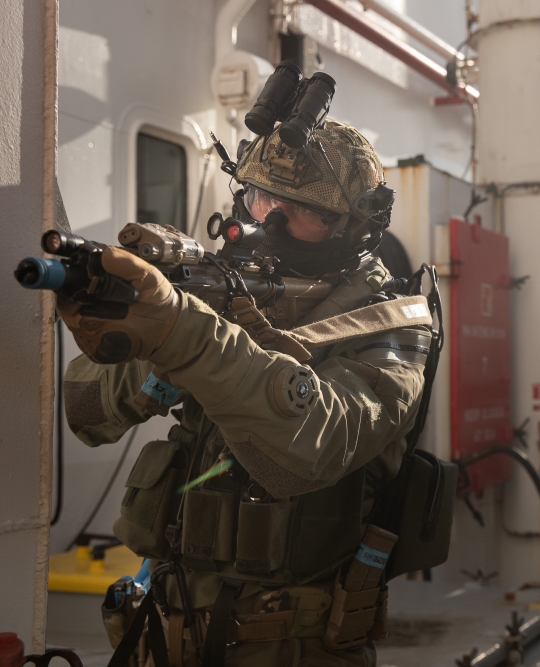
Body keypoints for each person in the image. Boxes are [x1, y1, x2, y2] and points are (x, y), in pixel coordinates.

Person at [60, 120, 432, 666]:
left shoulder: (391, 325)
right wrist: (142, 335)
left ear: (353, 229)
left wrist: (192, 339)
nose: (269, 222)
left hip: (292, 646)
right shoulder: (222, 288)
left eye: (303, 210)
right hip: (163, 628)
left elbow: (311, 450)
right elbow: (87, 415)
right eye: (261, 197)